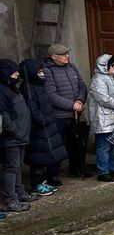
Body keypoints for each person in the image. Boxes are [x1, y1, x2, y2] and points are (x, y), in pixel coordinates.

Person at [42, 43, 89, 179]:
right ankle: (53, 175)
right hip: (59, 116)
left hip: (76, 113)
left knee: (76, 144)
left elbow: (82, 86)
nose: (67, 56)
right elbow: (51, 96)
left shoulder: (71, 67)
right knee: (57, 145)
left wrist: (79, 101)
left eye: (67, 53)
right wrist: (71, 105)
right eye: (64, 54)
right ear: (54, 57)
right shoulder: (48, 71)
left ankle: (76, 169)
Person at [19, 59, 64, 193]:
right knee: (38, 158)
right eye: (39, 72)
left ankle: (42, 181)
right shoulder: (27, 87)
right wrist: (41, 121)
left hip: (47, 124)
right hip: (38, 128)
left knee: (46, 156)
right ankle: (36, 184)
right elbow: (32, 108)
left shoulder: (39, 85)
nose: (42, 74)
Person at [87, 54, 114, 183]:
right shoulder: (99, 79)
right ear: (104, 66)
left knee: (113, 144)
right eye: (112, 65)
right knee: (103, 145)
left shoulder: (111, 78)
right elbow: (103, 98)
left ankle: (112, 167)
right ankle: (103, 171)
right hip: (103, 117)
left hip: (113, 116)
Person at [0, 59, 33, 214]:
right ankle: (10, 200)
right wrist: (15, 131)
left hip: (20, 136)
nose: (17, 75)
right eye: (14, 72)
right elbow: (4, 116)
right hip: (11, 138)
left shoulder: (12, 88)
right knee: (11, 168)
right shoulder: (2, 90)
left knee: (17, 166)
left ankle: (19, 193)